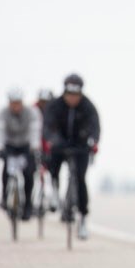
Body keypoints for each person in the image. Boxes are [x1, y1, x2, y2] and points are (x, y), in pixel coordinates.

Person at [42, 73, 100, 240]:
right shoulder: (54, 106)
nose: (72, 99)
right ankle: (54, 192)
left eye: (76, 95)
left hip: (80, 146)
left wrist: (93, 141)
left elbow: (95, 127)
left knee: (80, 179)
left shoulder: (88, 106)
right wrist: (53, 140)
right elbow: (47, 126)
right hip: (60, 144)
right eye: (70, 95)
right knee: (53, 166)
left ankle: (82, 218)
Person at [0, 87, 41, 220]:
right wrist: (0, 148)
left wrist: (35, 148)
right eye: (13, 103)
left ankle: (27, 205)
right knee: (6, 171)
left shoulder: (31, 112)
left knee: (29, 173)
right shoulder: (2, 113)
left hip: (26, 146)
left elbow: (34, 131)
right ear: (9, 103)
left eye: (18, 103)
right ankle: (4, 197)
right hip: (9, 145)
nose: (16, 106)